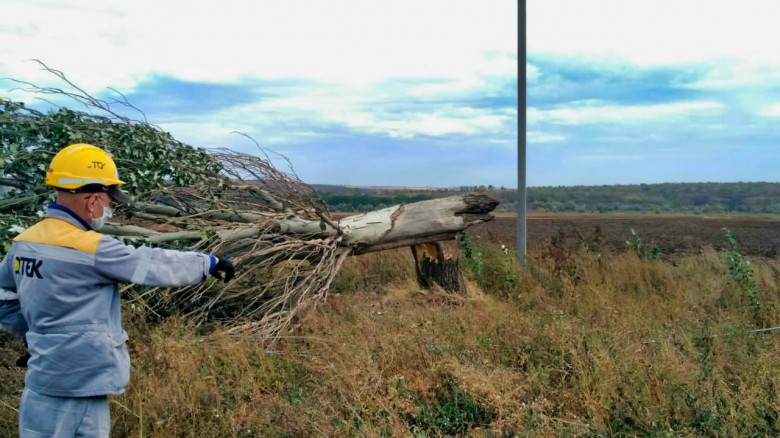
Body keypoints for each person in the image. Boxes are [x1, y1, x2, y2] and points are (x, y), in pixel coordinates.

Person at [0, 143, 235, 437]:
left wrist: (39, 340)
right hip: (80, 381)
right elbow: (150, 263)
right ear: (92, 200)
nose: (110, 210)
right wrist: (208, 262)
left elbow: (4, 299)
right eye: (110, 203)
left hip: (42, 380)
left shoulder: (25, 242)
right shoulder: (90, 247)